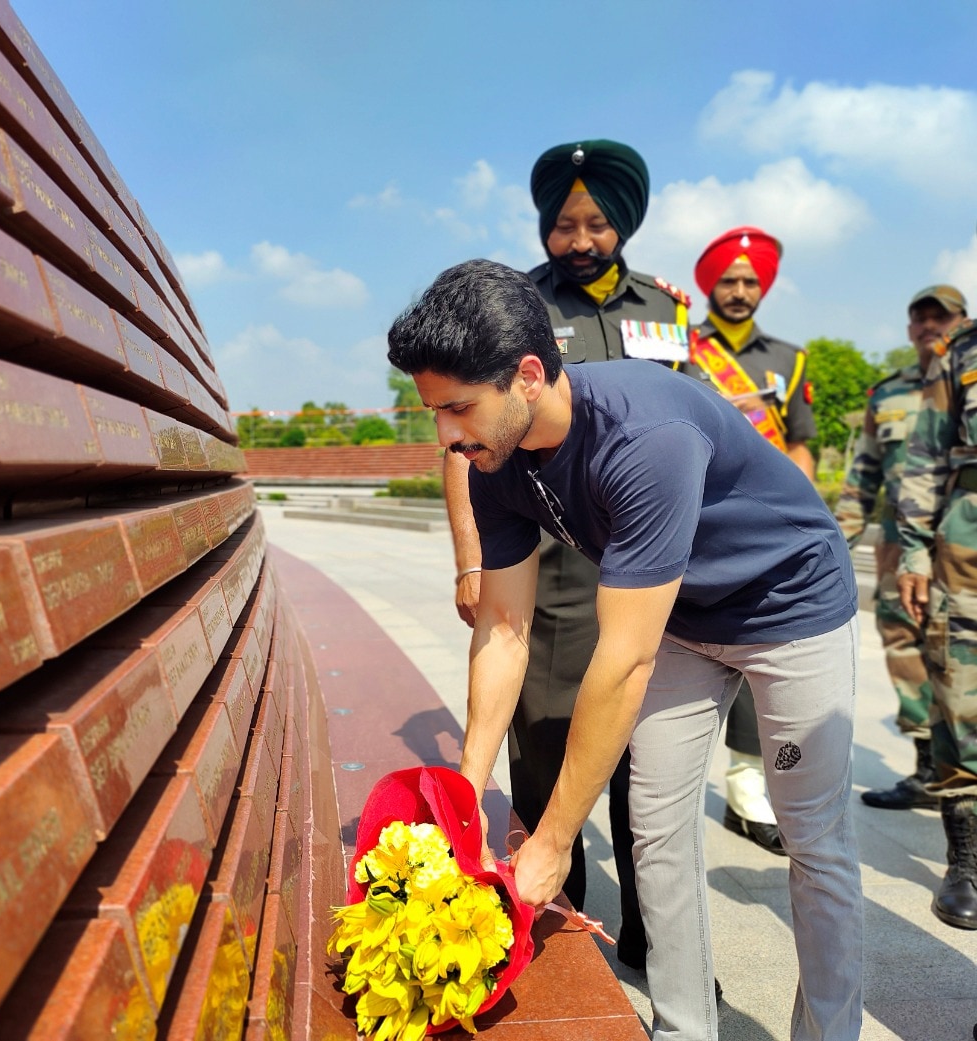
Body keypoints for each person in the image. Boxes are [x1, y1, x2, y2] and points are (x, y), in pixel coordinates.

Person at [388, 258, 863, 1041]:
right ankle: (684, 1029)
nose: (447, 435)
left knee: (813, 838)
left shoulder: (645, 437)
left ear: (528, 376)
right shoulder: (491, 461)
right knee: (656, 824)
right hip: (685, 615)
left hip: (789, 604)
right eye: (435, 411)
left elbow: (623, 662)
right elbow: (504, 628)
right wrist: (465, 791)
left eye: (460, 408)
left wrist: (550, 841)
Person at [442, 139, 690, 970]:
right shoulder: (509, 309)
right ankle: (553, 920)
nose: (579, 239)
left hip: (649, 561)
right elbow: (462, 445)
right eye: (564, 225)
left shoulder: (667, 308)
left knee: (645, 764)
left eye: (596, 222)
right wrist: (471, 557)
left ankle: (660, 938)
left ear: (623, 222)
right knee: (547, 745)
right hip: (545, 562)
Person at [687, 226, 818, 855]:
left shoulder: (790, 358)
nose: (739, 292)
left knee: (763, 644)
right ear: (710, 287)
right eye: (728, 281)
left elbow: (800, 442)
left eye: (749, 282)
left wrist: (805, 515)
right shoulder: (681, 349)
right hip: (696, 514)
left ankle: (747, 787)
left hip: (767, 522)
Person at [837, 285, 967, 811]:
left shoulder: (966, 377)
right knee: (905, 647)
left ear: (962, 321)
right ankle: (927, 767)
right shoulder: (887, 394)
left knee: (963, 653)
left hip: (963, 538)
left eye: (943, 317)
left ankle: (962, 763)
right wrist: (835, 541)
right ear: (910, 328)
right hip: (898, 540)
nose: (930, 326)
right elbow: (862, 475)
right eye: (921, 318)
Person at [895, 305, 977, 930]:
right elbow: (925, 452)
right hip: (966, 547)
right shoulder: (961, 352)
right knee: (961, 695)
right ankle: (967, 859)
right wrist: (915, 549)